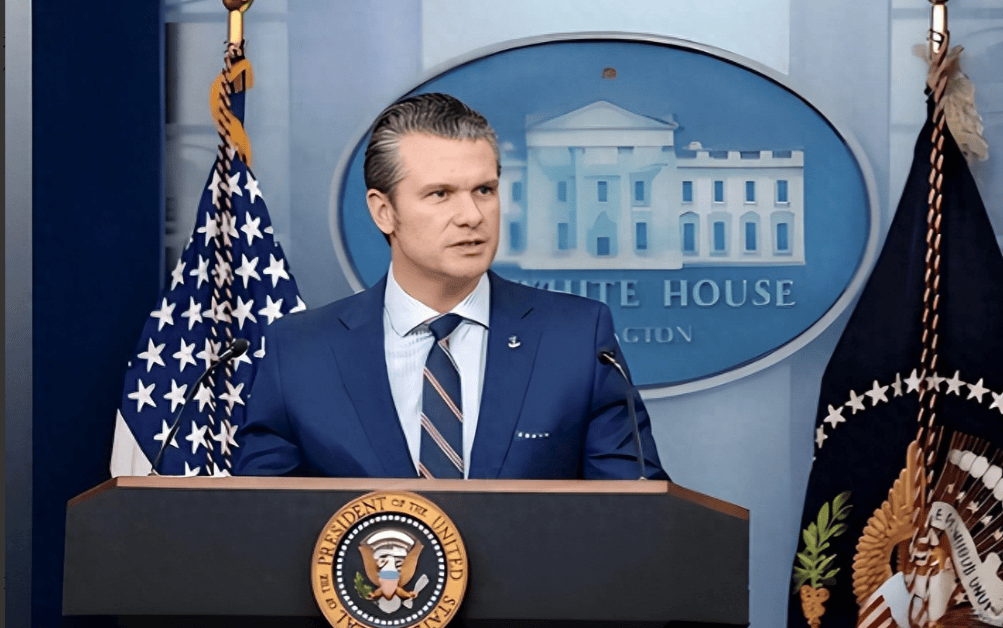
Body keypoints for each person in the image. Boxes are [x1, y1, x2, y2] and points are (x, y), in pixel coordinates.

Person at [234, 93, 666, 479]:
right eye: (440, 194)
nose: (472, 216)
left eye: (484, 190)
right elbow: (262, 520)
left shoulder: (577, 338)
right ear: (384, 212)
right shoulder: (301, 352)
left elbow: (638, 513)